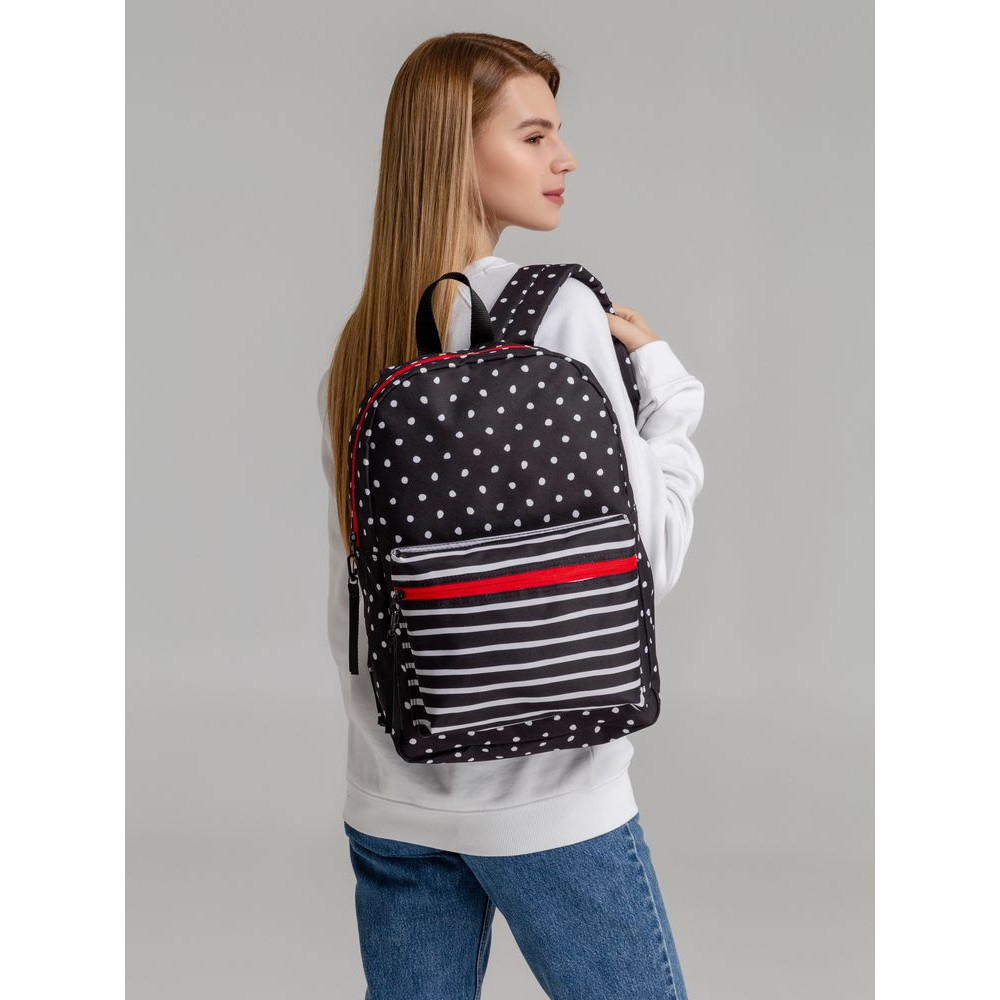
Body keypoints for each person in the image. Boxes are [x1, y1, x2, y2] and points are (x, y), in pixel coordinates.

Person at [318, 32, 705, 1000]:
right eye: (533, 136)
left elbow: (358, 605)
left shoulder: (363, 340)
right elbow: (643, 564)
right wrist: (670, 398)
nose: (564, 158)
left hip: (393, 792)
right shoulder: (557, 315)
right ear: (455, 150)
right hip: (548, 799)